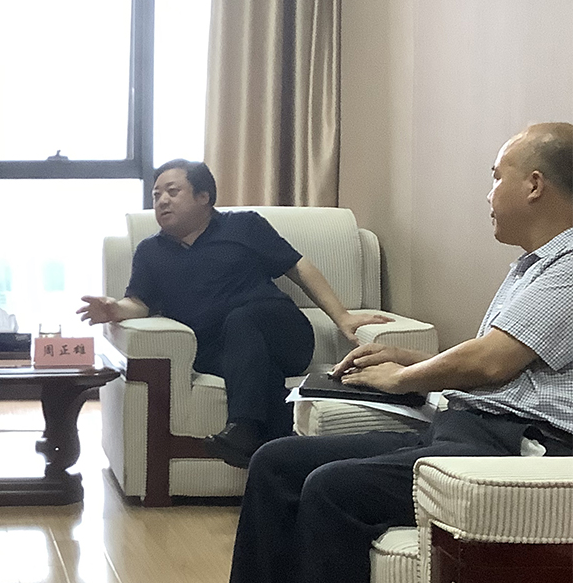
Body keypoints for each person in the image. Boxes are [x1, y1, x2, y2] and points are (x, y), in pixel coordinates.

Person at [217, 122, 573, 583]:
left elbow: (492, 361)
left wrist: (403, 378)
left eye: (497, 177)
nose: (489, 194)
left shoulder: (570, 266)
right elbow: (512, 364)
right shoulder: (534, 266)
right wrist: (417, 359)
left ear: (535, 185)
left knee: (332, 489)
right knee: (275, 462)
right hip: (469, 431)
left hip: (519, 446)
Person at [78, 159, 389, 466]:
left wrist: (342, 317)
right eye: (156, 195)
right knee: (260, 369)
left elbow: (298, 267)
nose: (162, 201)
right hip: (217, 351)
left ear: (204, 196)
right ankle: (279, 455)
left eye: (172, 191)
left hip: (282, 332)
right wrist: (114, 309)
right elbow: (139, 303)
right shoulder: (150, 251)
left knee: (242, 319)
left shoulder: (244, 226)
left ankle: (243, 428)